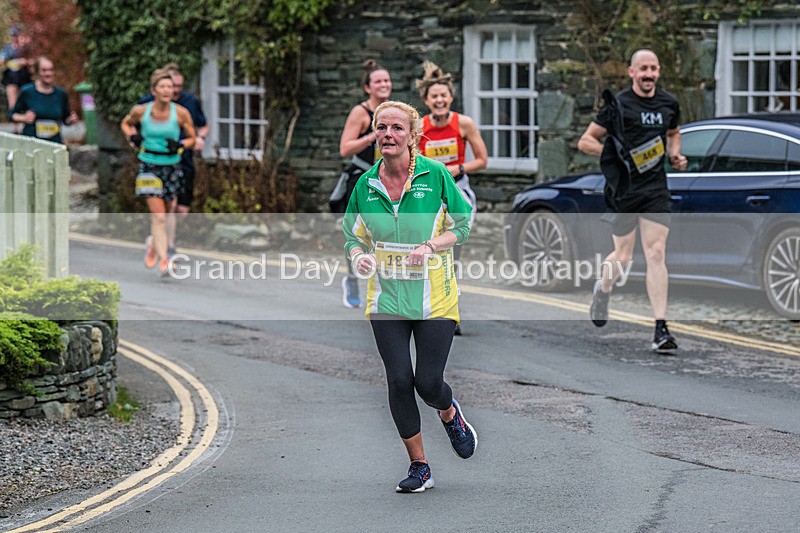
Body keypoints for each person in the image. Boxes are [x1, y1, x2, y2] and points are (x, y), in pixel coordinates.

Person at [342, 101, 477, 493]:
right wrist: (359, 256)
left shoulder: (434, 176)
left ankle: (450, 414)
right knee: (400, 380)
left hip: (435, 297)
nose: (388, 134)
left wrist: (433, 246)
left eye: (397, 128)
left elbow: (463, 223)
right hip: (386, 299)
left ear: (413, 136)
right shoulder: (366, 184)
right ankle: (420, 466)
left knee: (427, 382)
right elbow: (352, 234)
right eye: (381, 127)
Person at [577, 49, 687, 352]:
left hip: (655, 189)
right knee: (623, 257)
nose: (649, 74)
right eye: (643, 69)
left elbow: (674, 133)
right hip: (625, 189)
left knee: (655, 252)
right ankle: (604, 288)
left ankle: (661, 329)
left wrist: (675, 154)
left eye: (653, 68)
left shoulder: (669, 103)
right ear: (632, 72)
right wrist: (614, 156)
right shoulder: (620, 105)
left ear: (659, 71)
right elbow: (586, 140)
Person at [415, 60, 488, 335]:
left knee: (453, 253)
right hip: (430, 193)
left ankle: (450, 312)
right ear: (426, 100)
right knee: (431, 251)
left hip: (458, 189)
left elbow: (483, 160)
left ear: (451, 97)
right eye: (434, 96)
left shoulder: (464, 123)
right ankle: (429, 309)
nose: (439, 100)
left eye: (444, 95)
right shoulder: (419, 126)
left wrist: (458, 167)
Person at [120, 68, 196, 276]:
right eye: (162, 87)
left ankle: (154, 242)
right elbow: (125, 124)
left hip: (172, 165)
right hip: (148, 165)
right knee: (159, 216)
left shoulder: (180, 113)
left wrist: (180, 144)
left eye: (170, 87)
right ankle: (165, 260)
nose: (167, 90)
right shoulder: (141, 111)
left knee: (170, 207)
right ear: (154, 90)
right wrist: (132, 137)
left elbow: (192, 138)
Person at [333, 59, 392, 308]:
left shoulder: (391, 110)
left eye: (387, 80)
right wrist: (371, 136)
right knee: (359, 234)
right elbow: (344, 148)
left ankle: (384, 284)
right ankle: (352, 279)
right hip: (361, 177)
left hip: (386, 179)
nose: (384, 84)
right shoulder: (361, 112)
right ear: (367, 87)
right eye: (378, 81)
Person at [138, 62, 209, 257]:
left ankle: (158, 239)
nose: (174, 90)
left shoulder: (188, 104)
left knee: (180, 209)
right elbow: (132, 125)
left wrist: (198, 139)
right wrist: (135, 140)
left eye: (177, 87)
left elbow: (201, 127)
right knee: (162, 213)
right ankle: (167, 247)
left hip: (181, 161)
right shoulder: (147, 104)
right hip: (153, 163)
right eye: (170, 86)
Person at [8, 57, 77, 144]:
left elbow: (65, 119)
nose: (48, 73)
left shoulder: (60, 94)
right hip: (32, 144)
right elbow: (11, 115)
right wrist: (24, 118)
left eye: (51, 70)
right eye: (44, 70)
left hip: (54, 144)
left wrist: (71, 120)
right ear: (37, 72)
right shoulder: (27, 91)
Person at [1, 26, 32, 110]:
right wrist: (6, 62)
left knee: (24, 97)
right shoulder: (7, 48)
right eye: (12, 35)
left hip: (24, 76)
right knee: (12, 100)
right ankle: (14, 115)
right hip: (11, 76)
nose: (14, 37)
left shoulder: (25, 49)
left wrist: (24, 61)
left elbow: (33, 60)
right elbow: (2, 59)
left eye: (15, 35)